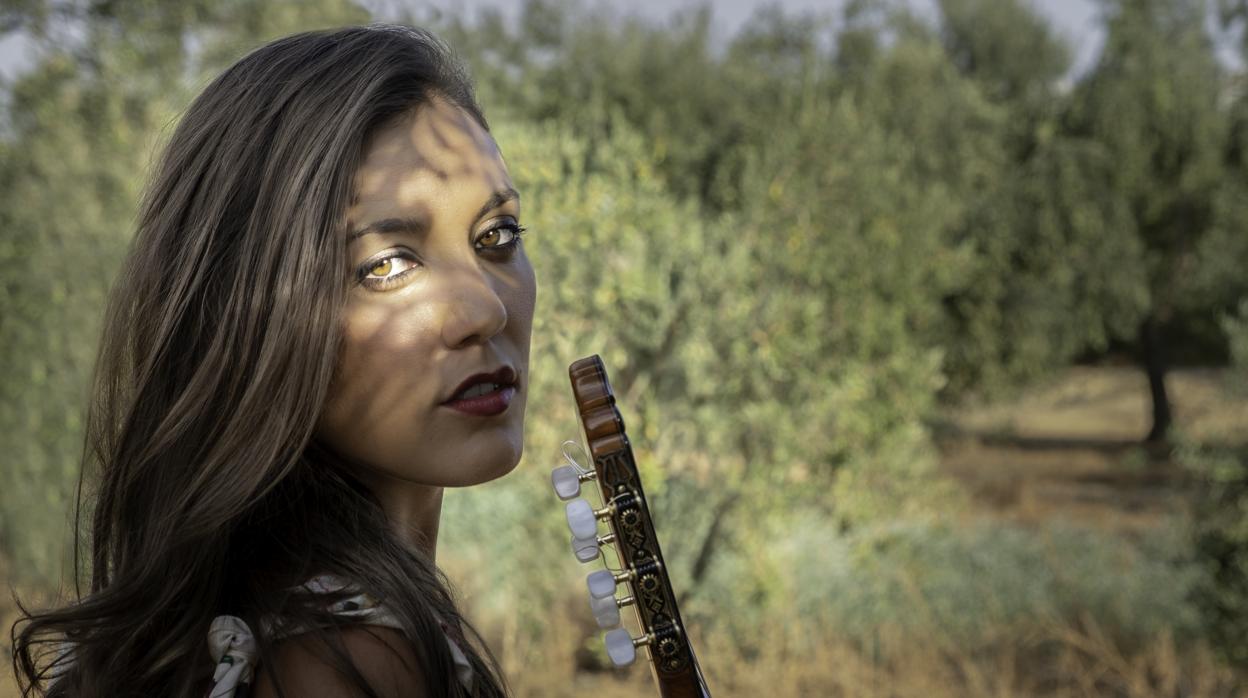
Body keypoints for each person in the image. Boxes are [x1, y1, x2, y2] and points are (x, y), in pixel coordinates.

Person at [12, 23, 535, 697]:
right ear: (251, 317)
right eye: (388, 264)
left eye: (497, 236)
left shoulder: (221, 629)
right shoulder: (352, 662)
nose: (487, 310)